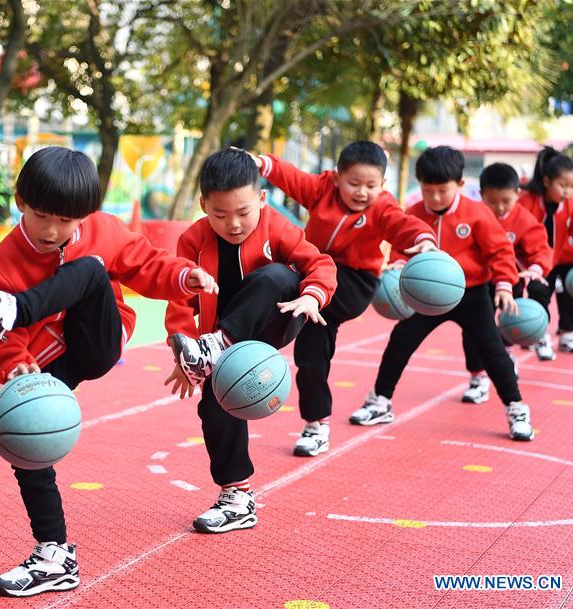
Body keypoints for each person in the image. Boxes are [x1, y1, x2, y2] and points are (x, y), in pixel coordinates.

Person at [0, 146, 217, 597]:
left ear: (84, 216)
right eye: (41, 216)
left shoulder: (100, 232)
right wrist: (16, 368)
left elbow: (147, 264)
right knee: (26, 438)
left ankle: (9, 309)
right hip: (47, 361)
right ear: (19, 201)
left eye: (67, 221)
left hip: (98, 339)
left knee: (91, 269)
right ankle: (53, 555)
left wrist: (183, 276)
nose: (52, 230)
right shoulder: (2, 265)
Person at [164, 148, 337, 532]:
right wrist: (181, 348)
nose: (234, 224)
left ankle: (212, 349)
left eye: (244, 212)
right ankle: (236, 496)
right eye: (220, 214)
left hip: (276, 320)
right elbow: (180, 301)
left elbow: (320, 264)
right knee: (215, 409)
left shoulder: (276, 226)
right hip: (219, 344)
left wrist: (312, 296)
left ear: (261, 198)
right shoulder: (192, 241)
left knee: (276, 275)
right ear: (203, 205)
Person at [251, 142, 436, 456]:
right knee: (310, 357)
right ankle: (316, 424)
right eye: (354, 184)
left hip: (353, 283)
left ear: (383, 185)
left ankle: (265, 328)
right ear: (337, 178)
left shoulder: (382, 207)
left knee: (284, 281)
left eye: (371, 186)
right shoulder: (322, 190)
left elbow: (403, 225)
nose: (362, 192)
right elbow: (293, 177)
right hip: (312, 278)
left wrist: (424, 242)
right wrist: (260, 163)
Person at [352, 146, 534, 441]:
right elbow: (400, 246)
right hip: (425, 296)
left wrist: (503, 284)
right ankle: (380, 401)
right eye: (428, 190)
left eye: (442, 190)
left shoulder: (477, 214)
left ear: (461, 185)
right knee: (400, 341)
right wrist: (396, 266)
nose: (435, 197)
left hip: (471, 294)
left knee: (492, 351)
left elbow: (500, 251)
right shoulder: (412, 215)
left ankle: (516, 407)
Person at [459, 163, 552, 403]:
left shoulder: (524, 219)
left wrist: (535, 268)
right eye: (492, 201)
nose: (499, 207)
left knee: (512, 323)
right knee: (473, 331)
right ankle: (478, 377)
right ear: (481, 196)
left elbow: (540, 247)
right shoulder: (473, 215)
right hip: (478, 283)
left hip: (512, 280)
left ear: (517, 195)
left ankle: (507, 356)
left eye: (506, 201)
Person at [518, 147, 573, 359]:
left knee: (567, 296)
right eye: (563, 186)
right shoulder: (527, 202)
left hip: (556, 259)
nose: (568, 192)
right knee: (538, 293)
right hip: (529, 262)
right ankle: (538, 335)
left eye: (572, 187)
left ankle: (565, 334)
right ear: (547, 181)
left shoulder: (568, 205)